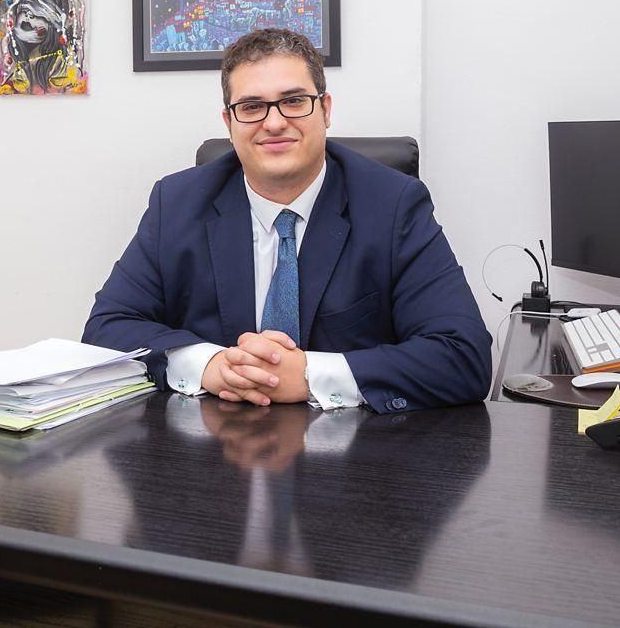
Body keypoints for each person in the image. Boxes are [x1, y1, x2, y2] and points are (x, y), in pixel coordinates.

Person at [82, 28, 491, 413]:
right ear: (229, 122)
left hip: (358, 466)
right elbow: (106, 329)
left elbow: (463, 357)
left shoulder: (393, 204)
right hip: (211, 458)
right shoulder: (177, 202)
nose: (274, 122)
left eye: (294, 101)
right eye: (252, 106)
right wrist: (210, 365)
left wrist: (311, 375)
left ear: (325, 109)